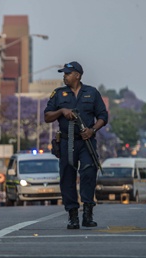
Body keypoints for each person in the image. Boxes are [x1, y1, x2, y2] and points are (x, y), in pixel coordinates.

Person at [44, 61, 108, 229]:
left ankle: (88, 214)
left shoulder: (91, 93)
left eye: (67, 74)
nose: (64, 76)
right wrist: (61, 112)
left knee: (88, 174)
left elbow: (103, 116)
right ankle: (72, 215)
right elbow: (47, 116)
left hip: (86, 141)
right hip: (66, 141)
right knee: (67, 178)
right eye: (64, 74)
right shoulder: (58, 94)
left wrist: (92, 130)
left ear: (77, 75)